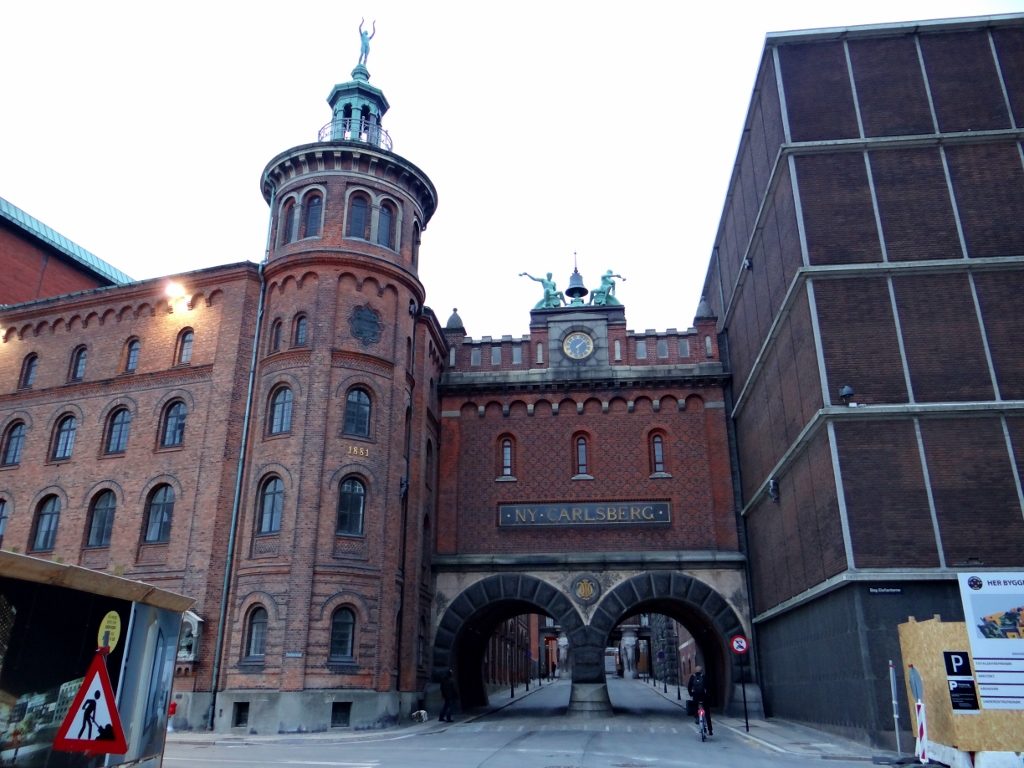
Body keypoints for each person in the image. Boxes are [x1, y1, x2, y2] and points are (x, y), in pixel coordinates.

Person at [687, 665, 713, 736]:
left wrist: (691, 694)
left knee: (696, 707)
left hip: (696, 696)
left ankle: (697, 717)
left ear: (695, 670)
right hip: (704, 697)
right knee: (707, 713)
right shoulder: (704, 677)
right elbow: (709, 686)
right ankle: (710, 730)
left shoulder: (692, 677)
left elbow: (689, 686)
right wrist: (708, 695)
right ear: (701, 671)